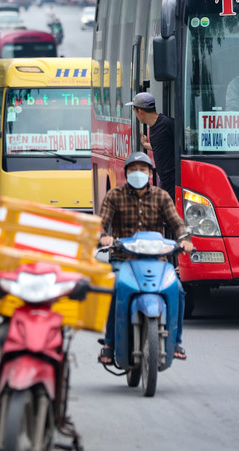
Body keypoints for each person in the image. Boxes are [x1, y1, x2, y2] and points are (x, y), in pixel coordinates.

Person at [97, 152, 193, 365]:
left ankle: (176, 341)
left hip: (157, 261)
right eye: (133, 169)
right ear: (126, 173)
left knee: (177, 289)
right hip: (123, 259)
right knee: (114, 290)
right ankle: (110, 343)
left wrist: (184, 239)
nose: (138, 173)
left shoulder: (161, 196)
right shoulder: (114, 196)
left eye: (142, 169)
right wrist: (103, 237)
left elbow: (177, 223)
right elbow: (101, 223)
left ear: (150, 173)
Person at [125, 92, 176, 200]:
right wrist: (145, 145)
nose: (136, 115)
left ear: (140, 111)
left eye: (134, 111)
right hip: (164, 181)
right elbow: (162, 146)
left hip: (174, 182)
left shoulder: (168, 124)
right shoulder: (153, 127)